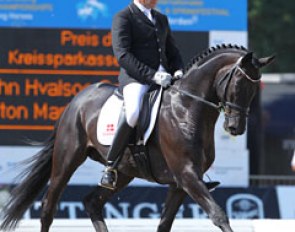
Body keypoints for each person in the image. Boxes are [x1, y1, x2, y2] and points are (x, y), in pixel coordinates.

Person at [100, 0, 219, 191]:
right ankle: (110, 166)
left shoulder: (160, 18)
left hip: (166, 78)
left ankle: (196, 171)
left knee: (188, 112)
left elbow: (172, 50)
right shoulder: (123, 17)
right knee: (132, 113)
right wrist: (152, 75)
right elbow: (123, 55)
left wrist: (179, 70)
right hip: (137, 79)